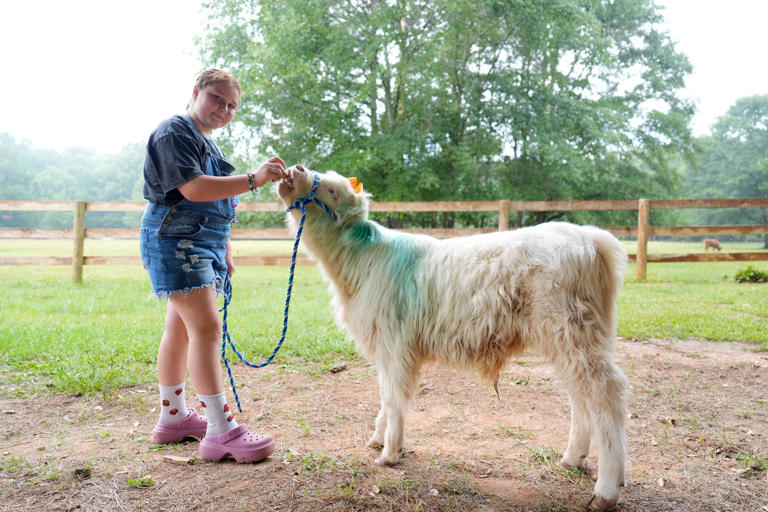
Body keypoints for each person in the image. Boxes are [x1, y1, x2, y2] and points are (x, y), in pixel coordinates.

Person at [140, 68, 286, 463]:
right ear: (195, 92)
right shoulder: (175, 132)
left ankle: (174, 419)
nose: (224, 109)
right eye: (217, 99)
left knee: (180, 329)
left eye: (232, 105)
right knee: (206, 329)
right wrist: (253, 179)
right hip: (175, 240)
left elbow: (217, 205)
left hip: (199, 244)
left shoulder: (208, 145)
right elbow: (194, 188)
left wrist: (225, 248)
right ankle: (221, 431)